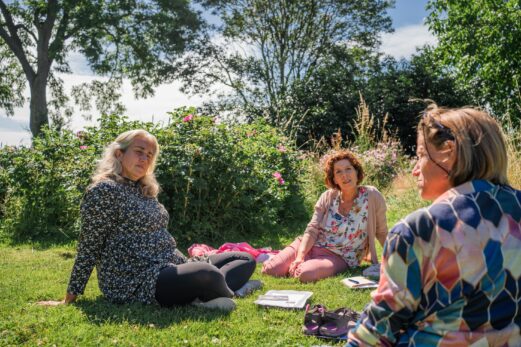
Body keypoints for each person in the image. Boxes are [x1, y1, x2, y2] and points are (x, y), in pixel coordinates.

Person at [347, 106, 521, 346]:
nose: (414, 169)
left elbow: (377, 331)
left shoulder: (419, 229)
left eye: (421, 155)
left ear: (448, 152)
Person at [39, 130, 255, 309]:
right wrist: (70, 296)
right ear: (119, 154)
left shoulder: (144, 189)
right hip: (137, 279)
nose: (145, 158)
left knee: (245, 259)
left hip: (171, 264)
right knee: (206, 272)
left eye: (150, 154)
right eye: (139, 151)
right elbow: (89, 245)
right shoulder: (103, 190)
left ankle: (208, 294)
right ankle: (220, 292)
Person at [262, 150, 388, 282]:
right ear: (334, 179)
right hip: (311, 245)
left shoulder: (372, 196)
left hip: (339, 256)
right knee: (270, 270)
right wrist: (300, 256)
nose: (344, 175)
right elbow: (312, 229)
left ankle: (299, 265)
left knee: (304, 274)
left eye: (348, 169)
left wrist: (395, 259)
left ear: (357, 172)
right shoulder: (328, 197)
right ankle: (295, 261)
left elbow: (382, 232)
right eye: (338, 171)